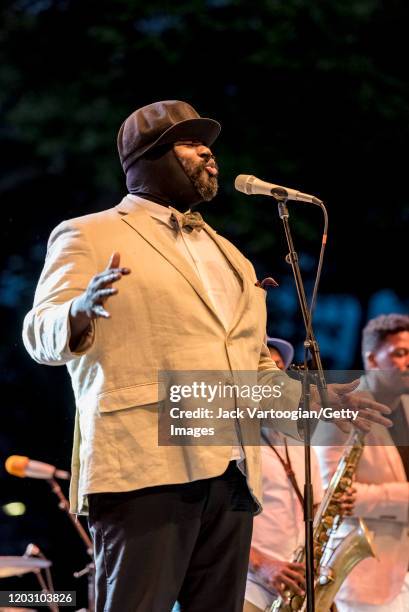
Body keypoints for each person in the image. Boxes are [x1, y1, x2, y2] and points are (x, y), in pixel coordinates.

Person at [22, 100, 390, 612]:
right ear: (146, 157)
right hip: (144, 464)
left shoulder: (231, 257)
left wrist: (317, 401)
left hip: (233, 471)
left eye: (210, 146)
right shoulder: (89, 233)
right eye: (191, 144)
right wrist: (80, 310)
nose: (209, 156)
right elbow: (38, 334)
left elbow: (256, 373)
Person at [244, 338, 355, 611]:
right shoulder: (229, 442)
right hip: (247, 585)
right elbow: (214, 525)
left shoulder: (298, 440)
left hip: (294, 589)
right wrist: (263, 565)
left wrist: (332, 506)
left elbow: (314, 509)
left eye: (279, 369)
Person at [315, 313, 409, 612]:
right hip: (366, 577)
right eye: (400, 353)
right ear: (371, 359)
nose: (408, 361)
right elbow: (335, 495)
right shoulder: (342, 410)